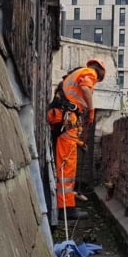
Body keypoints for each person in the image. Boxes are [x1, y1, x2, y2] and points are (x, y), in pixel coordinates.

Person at [47, 58, 106, 220]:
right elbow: (86, 89)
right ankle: (66, 209)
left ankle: (64, 206)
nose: (97, 80)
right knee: (67, 167)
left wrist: (79, 142)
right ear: (100, 72)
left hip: (60, 119)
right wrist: (91, 110)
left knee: (64, 163)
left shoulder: (73, 75)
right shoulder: (90, 72)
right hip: (66, 119)